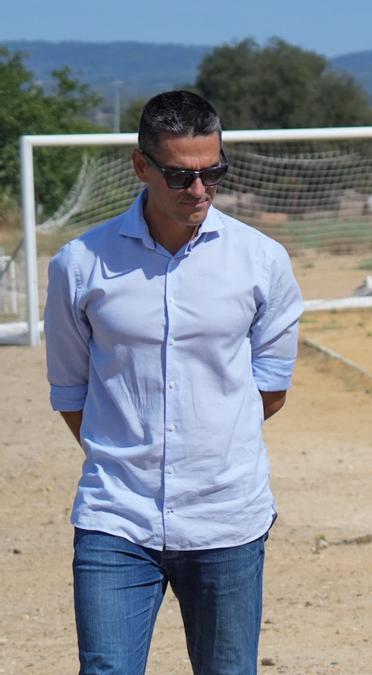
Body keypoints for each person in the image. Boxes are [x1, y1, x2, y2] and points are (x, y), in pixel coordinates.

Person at [44, 90, 303, 674]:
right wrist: (130, 451)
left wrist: (205, 444)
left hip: (226, 517)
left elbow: (270, 386)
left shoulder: (262, 261)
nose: (200, 191)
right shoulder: (79, 264)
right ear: (141, 166)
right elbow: (70, 390)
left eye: (214, 173)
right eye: (181, 176)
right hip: (117, 516)